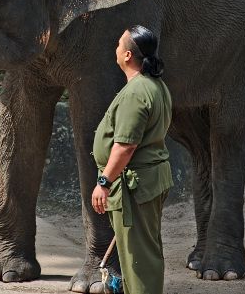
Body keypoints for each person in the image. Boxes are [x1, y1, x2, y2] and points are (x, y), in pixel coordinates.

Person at [92, 25, 173, 294]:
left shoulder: (137, 93)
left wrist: (104, 182)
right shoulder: (155, 86)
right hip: (147, 182)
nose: (115, 49)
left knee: (139, 259)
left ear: (127, 55)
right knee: (141, 251)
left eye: (118, 45)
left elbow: (125, 147)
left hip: (135, 187)